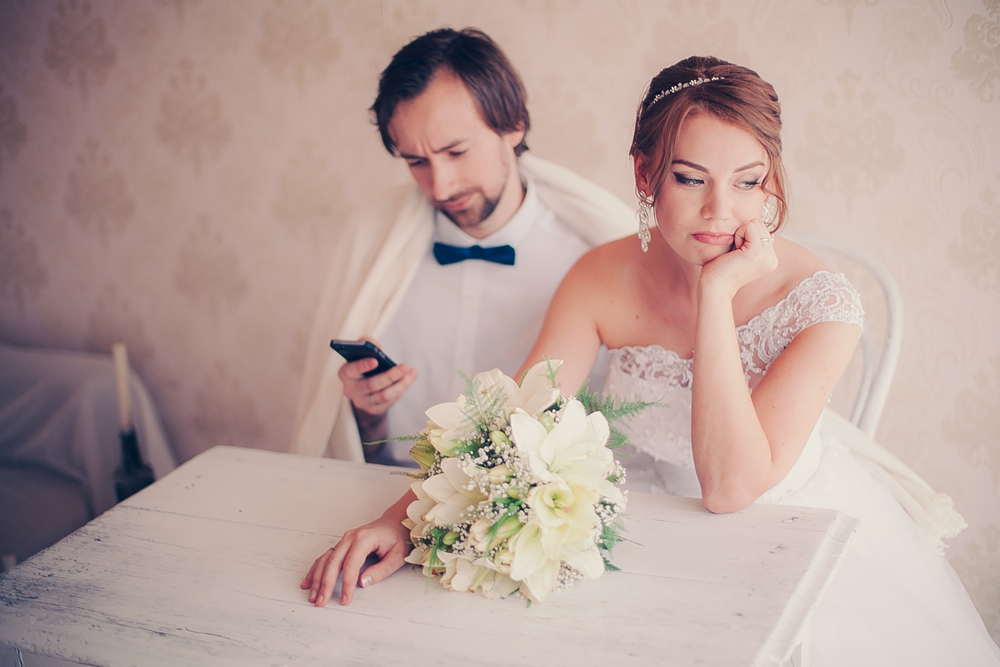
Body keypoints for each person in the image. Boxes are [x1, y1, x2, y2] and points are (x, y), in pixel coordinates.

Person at [301, 56, 1000, 665]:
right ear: (645, 173)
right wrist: (400, 517)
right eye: (691, 178)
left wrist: (716, 293)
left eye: (749, 181)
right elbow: (516, 417)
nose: (720, 212)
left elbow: (730, 487)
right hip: (649, 527)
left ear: (773, 182)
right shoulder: (601, 278)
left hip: (787, 534)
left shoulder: (825, 304)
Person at [289, 28, 634, 464]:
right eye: (416, 161)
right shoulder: (372, 248)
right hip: (386, 496)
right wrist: (367, 411)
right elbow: (349, 444)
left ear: (513, 125)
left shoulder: (594, 257)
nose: (440, 184)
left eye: (456, 151)